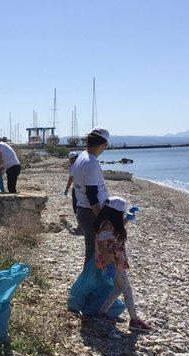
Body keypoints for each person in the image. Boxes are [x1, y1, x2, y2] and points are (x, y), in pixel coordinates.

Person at [94, 197, 152, 332]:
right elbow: (103, 246)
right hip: (114, 263)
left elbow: (113, 235)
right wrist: (109, 265)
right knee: (127, 289)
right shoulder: (107, 225)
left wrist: (127, 219)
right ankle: (134, 320)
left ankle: (101, 313)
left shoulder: (109, 223)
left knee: (118, 289)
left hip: (116, 262)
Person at [73, 128, 110, 265]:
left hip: (83, 210)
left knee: (92, 249)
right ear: (103, 145)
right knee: (95, 251)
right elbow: (92, 194)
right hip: (90, 213)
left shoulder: (82, 157)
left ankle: (90, 281)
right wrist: (101, 218)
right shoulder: (91, 163)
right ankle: (90, 282)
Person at [63, 150, 79, 217]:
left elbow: (71, 179)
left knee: (75, 204)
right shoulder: (83, 164)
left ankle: (79, 219)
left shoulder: (72, 166)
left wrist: (67, 189)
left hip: (77, 188)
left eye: (70, 159)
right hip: (86, 187)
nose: (69, 160)